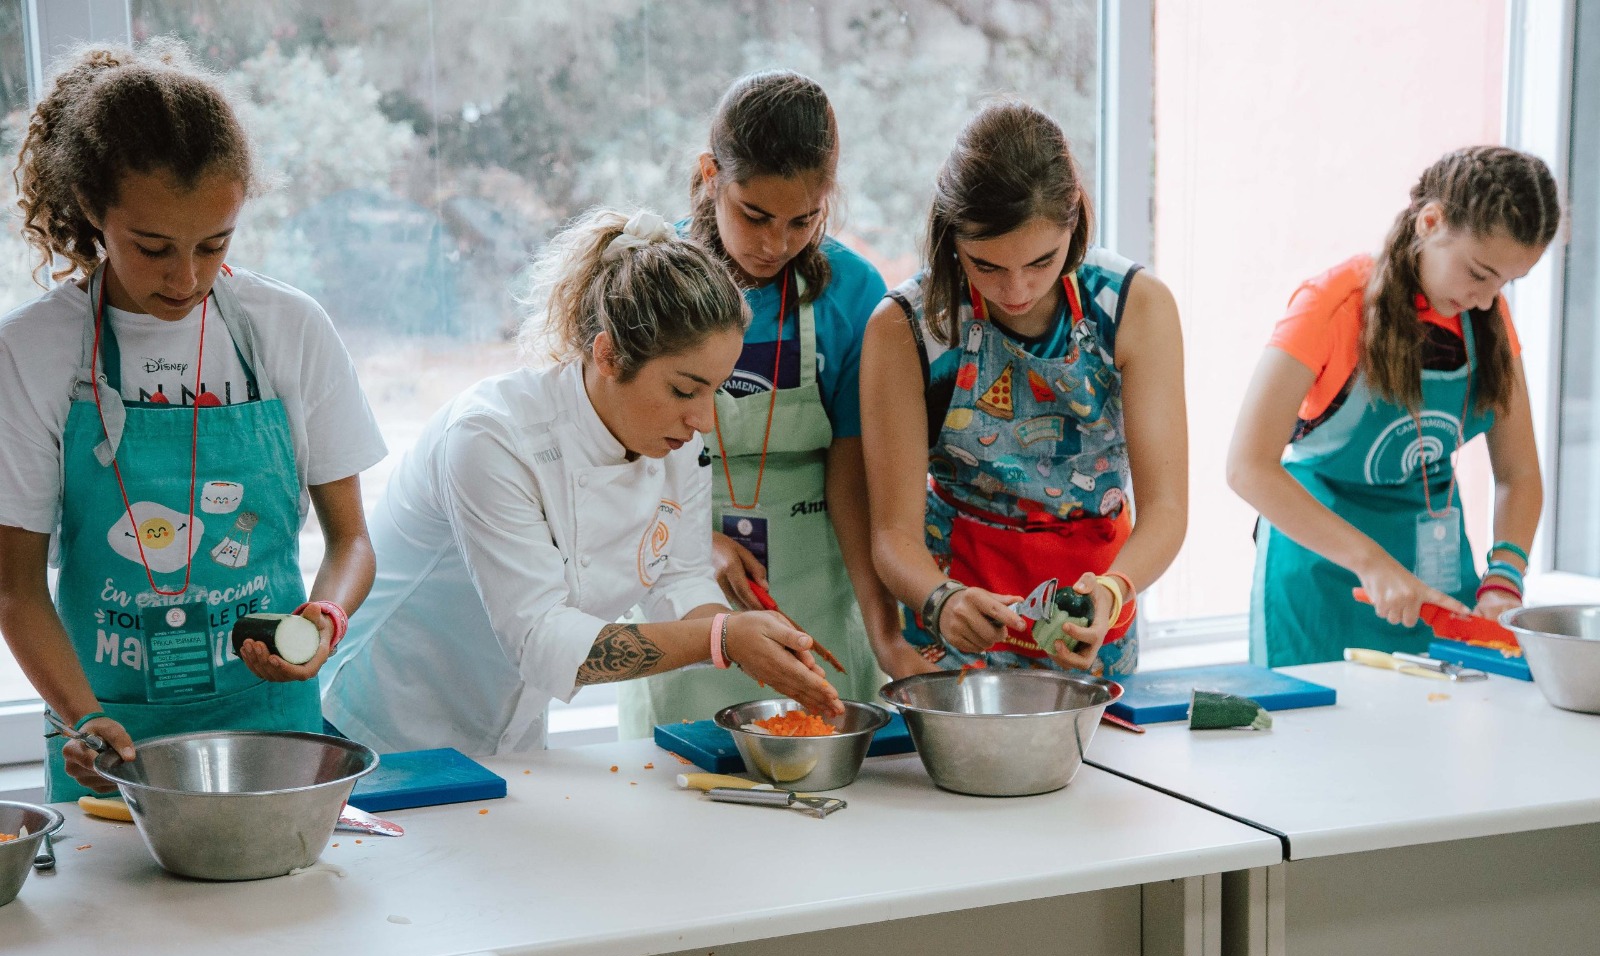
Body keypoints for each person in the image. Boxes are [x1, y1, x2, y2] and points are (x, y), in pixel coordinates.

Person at [0, 40, 386, 801]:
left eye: (215, 245)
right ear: (91, 210)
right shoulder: (32, 353)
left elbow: (352, 541)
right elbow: (15, 589)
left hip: (271, 728)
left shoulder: (289, 329)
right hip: (106, 731)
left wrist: (327, 620)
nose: (187, 279)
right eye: (153, 248)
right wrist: (80, 717)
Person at [321, 208, 842, 755]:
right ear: (609, 354)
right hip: (382, 731)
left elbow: (682, 580)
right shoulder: (491, 438)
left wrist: (754, 642)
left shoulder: (676, 443)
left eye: (714, 390)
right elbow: (542, 640)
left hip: (511, 739)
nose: (705, 420)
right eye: (686, 390)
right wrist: (725, 638)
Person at [616, 70, 918, 740]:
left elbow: (853, 480)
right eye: (754, 215)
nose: (774, 246)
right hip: (681, 592)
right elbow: (610, 465)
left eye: (803, 221)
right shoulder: (649, 278)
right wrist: (694, 545)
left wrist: (883, 632)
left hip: (816, 595)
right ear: (709, 176)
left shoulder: (852, 293)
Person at [860, 100, 1188, 679]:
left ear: (1075, 223)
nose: (1017, 290)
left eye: (1042, 261)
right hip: (955, 622)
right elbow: (891, 535)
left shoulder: (1136, 308)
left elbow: (1166, 511)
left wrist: (1113, 589)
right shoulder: (905, 329)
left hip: (1092, 620)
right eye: (985, 266)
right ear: (950, 236)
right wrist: (940, 599)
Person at [1229, 146, 1560, 667]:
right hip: (1322, 570)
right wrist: (1370, 562)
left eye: (1504, 282)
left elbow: (1519, 475)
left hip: (1434, 578)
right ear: (1431, 222)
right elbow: (1247, 467)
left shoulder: (1487, 319)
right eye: (1478, 272)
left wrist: (1505, 580)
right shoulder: (1330, 306)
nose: (1485, 298)